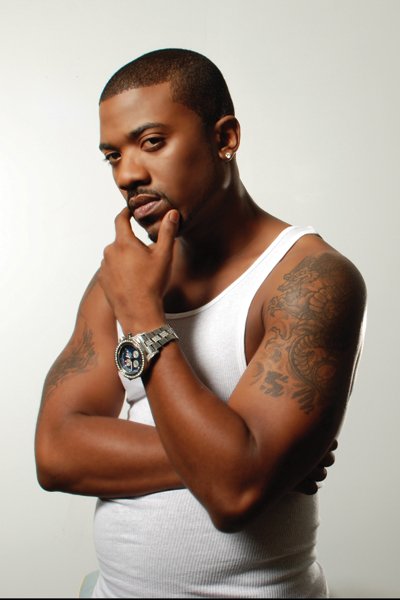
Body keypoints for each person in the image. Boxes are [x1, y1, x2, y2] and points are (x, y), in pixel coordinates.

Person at [35, 48, 367, 598]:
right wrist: (235, 457)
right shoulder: (123, 276)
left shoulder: (309, 279)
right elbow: (55, 453)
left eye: (152, 142)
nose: (127, 174)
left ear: (225, 138)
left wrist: (143, 317)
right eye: (112, 156)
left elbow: (233, 495)